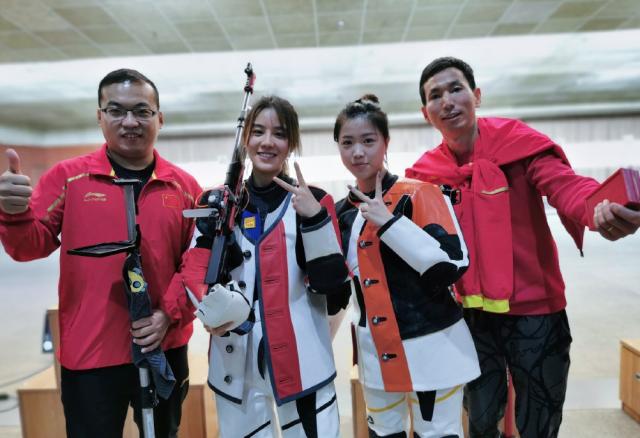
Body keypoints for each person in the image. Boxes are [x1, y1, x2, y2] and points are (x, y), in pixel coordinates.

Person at [406, 56, 640, 438]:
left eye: (455, 89)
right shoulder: (426, 173)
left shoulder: (518, 144)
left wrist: (599, 210)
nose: (446, 101)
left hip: (536, 311)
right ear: (425, 112)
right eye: (435, 95)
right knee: (480, 419)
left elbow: (568, 187)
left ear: (476, 95)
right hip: (470, 316)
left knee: (540, 421)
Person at [0, 69, 201, 438]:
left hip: (162, 344)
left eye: (141, 111)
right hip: (90, 351)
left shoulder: (185, 188)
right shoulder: (68, 178)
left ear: (159, 118)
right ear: (99, 116)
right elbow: (29, 246)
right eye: (116, 111)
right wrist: (14, 215)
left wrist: (167, 315)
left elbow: (197, 264)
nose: (130, 121)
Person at [174, 95, 349, 437]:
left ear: (291, 143)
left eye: (279, 134)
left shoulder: (314, 200)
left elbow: (333, 288)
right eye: (258, 132)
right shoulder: (217, 202)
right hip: (233, 363)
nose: (267, 142)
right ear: (246, 139)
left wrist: (315, 220)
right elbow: (194, 272)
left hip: (304, 365)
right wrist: (215, 310)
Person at [333, 94, 480, 438]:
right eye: (347, 143)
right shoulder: (341, 212)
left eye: (368, 141)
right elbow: (336, 288)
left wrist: (390, 224)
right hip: (375, 353)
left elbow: (453, 264)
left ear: (386, 142)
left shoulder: (421, 194)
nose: (358, 152)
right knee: (384, 433)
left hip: (433, 347)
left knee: (438, 433)